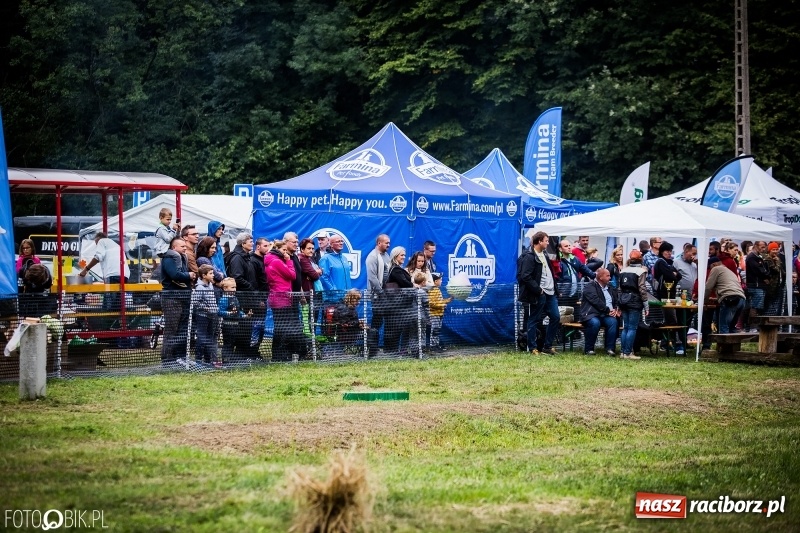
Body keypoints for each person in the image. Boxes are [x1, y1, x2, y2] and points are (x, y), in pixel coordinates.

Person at [516, 231, 560, 355]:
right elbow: (525, 276)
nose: (547, 243)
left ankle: (547, 346)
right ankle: (532, 347)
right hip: (538, 294)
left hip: (550, 293)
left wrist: (555, 289)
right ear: (539, 241)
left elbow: (550, 273)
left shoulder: (544, 255)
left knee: (556, 317)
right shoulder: (529, 256)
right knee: (533, 319)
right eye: (546, 240)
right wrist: (538, 290)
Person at [160, 237, 196, 365]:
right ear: (174, 247)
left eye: (185, 246)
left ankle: (181, 356)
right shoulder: (169, 258)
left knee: (183, 328)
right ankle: (168, 359)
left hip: (184, 296)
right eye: (182, 246)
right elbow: (174, 275)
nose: (185, 248)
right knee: (172, 329)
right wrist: (189, 275)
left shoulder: (182, 258)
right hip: (172, 298)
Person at [79, 231, 132, 316]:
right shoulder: (116, 245)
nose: (97, 245)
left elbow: (98, 256)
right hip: (124, 275)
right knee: (118, 304)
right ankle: (118, 325)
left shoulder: (101, 241)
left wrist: (86, 269)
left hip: (113, 275)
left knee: (109, 305)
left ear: (99, 239)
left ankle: (108, 325)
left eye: (96, 243)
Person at [702, 257, 746, 344]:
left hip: (730, 299)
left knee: (724, 327)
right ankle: (734, 350)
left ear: (714, 264)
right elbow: (729, 288)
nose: (710, 269)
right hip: (741, 299)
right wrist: (716, 299)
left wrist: (704, 301)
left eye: (710, 267)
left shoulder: (716, 269)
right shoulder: (729, 271)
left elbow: (708, 287)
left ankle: (724, 351)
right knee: (732, 327)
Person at [579, 268, 621, 356]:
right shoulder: (590, 286)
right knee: (595, 323)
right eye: (608, 276)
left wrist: (616, 309)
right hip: (592, 314)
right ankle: (589, 349)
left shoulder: (610, 288)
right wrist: (608, 310)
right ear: (601, 277)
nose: (610, 278)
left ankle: (610, 349)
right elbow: (595, 301)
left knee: (613, 322)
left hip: (607, 315)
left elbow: (617, 300)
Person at [653, 241, 685, 354]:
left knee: (672, 318)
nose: (669, 253)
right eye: (667, 251)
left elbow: (679, 275)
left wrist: (674, 274)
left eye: (670, 251)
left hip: (672, 295)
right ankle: (674, 343)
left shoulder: (670, 262)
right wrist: (673, 274)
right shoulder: (660, 262)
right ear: (662, 251)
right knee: (671, 319)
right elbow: (670, 275)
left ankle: (667, 342)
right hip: (663, 295)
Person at [383, 246, 416, 355]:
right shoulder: (396, 269)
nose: (404, 257)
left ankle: (396, 351)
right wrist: (414, 285)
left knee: (399, 328)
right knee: (395, 329)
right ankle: (392, 351)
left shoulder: (396, 268)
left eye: (404, 255)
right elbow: (405, 283)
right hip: (397, 306)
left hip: (398, 305)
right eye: (402, 255)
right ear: (395, 256)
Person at [617, 250, 649, 360]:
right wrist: (646, 305)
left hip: (623, 300)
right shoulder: (641, 271)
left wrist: (618, 304)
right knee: (632, 328)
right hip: (635, 301)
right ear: (641, 259)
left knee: (625, 328)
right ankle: (628, 353)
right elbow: (642, 289)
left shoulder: (623, 270)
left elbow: (619, 289)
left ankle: (622, 352)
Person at [365, 234, 391, 355]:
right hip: (378, 296)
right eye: (386, 243)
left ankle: (387, 347)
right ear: (379, 243)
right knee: (377, 322)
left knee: (388, 321)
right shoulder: (372, 256)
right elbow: (372, 277)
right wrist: (381, 292)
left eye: (389, 243)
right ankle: (372, 349)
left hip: (387, 294)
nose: (389, 245)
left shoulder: (387, 256)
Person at [218, 277, 249, 365]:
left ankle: (232, 358)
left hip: (236, 324)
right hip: (227, 325)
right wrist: (229, 313)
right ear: (225, 288)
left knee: (233, 341)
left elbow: (238, 311)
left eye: (235, 287)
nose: (234, 289)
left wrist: (245, 315)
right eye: (232, 287)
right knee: (227, 343)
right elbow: (219, 311)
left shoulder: (235, 298)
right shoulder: (224, 299)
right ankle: (226, 360)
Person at [193, 265, 218, 366]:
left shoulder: (210, 285)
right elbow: (195, 302)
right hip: (202, 316)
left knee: (210, 337)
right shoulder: (199, 287)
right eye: (211, 273)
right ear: (204, 275)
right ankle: (198, 359)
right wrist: (205, 307)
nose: (213, 275)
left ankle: (208, 359)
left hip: (212, 315)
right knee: (202, 337)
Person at [745, 241, 770, 328]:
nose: (763, 249)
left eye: (764, 247)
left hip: (759, 284)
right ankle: (752, 327)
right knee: (755, 306)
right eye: (762, 247)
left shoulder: (758, 257)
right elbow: (758, 270)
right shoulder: (752, 257)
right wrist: (766, 275)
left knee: (757, 306)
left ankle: (753, 326)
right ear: (755, 246)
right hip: (755, 285)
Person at [319, 234, 352, 299]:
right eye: (338, 241)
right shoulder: (325, 259)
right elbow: (323, 277)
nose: (341, 243)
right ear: (331, 244)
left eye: (341, 241)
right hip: (333, 299)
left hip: (346, 298)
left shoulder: (344, 258)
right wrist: (333, 291)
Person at [428, 272, 452, 352]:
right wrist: (442, 305)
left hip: (439, 314)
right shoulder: (432, 290)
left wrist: (447, 300)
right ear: (435, 281)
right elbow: (431, 303)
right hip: (434, 314)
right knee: (434, 330)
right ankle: (433, 346)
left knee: (437, 330)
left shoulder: (437, 289)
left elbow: (439, 301)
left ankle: (436, 345)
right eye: (440, 279)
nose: (441, 281)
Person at [763, 242, 786, 316]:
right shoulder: (768, 259)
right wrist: (778, 262)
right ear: (769, 250)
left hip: (777, 284)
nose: (775, 251)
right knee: (768, 304)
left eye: (776, 249)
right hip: (770, 285)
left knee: (775, 304)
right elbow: (775, 269)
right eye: (773, 249)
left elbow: (782, 271)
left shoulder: (776, 259)